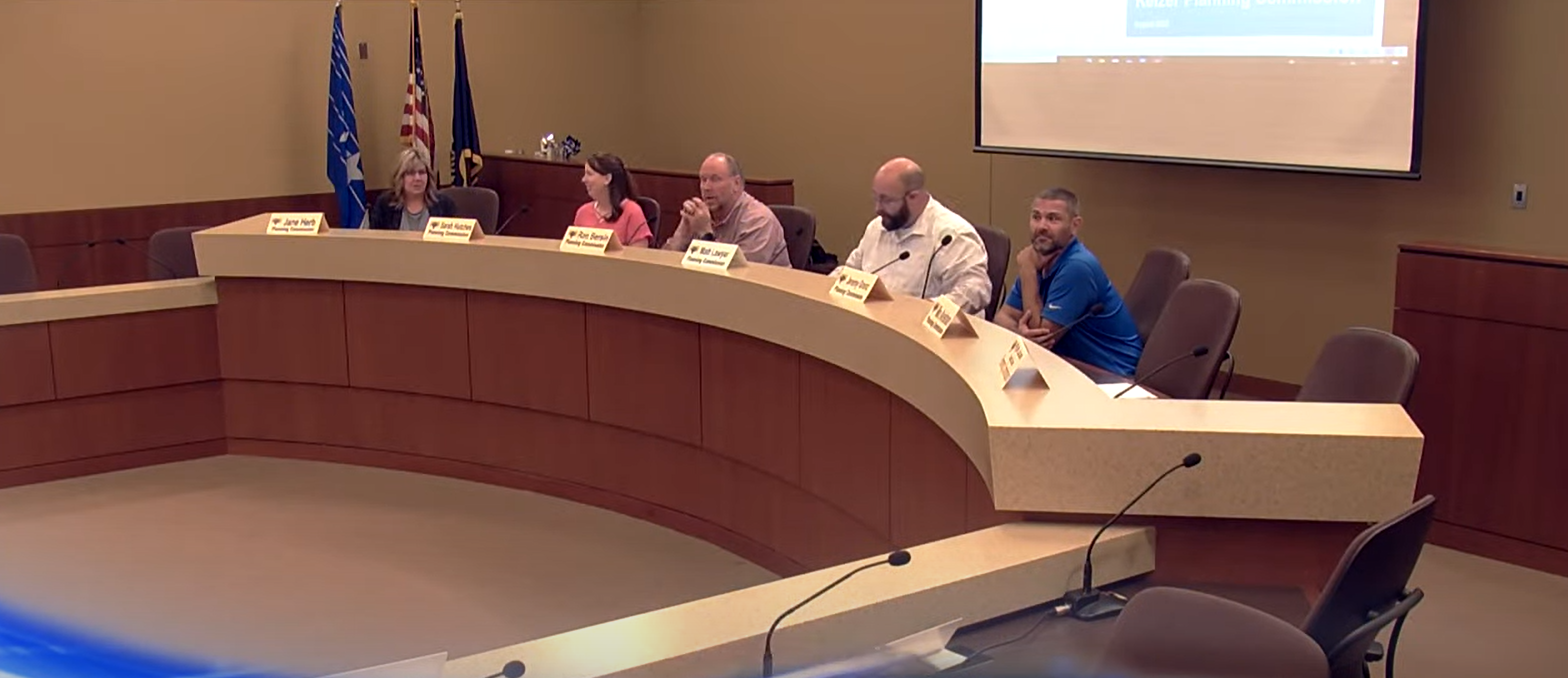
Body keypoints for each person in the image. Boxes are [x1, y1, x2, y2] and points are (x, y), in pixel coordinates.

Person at [996, 188, 1143, 377]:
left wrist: (1028, 272)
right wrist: (1020, 333)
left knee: (1015, 386)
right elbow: (1001, 318)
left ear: (1075, 225)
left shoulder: (1077, 267)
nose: (1041, 226)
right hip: (1067, 366)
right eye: (1036, 217)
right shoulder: (1036, 258)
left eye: (1053, 219)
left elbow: (1039, 344)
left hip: (1111, 376)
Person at [839, 158, 991, 314]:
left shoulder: (951, 236)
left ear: (914, 197)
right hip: (876, 320)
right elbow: (849, 272)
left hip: (926, 326)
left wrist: (924, 312)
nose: (878, 208)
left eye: (887, 201)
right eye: (876, 198)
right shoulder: (877, 227)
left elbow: (975, 290)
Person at [661, 153, 791, 266]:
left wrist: (705, 233)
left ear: (736, 184)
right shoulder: (700, 215)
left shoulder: (758, 220)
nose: (706, 187)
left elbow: (739, 276)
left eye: (715, 179)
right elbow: (663, 265)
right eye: (703, 180)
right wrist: (682, 236)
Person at [368, 148, 456, 231]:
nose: (417, 178)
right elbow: (374, 239)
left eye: (421, 172)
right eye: (411, 173)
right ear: (401, 177)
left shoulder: (444, 205)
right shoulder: (385, 205)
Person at [574, 153, 652, 247]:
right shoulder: (582, 212)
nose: (583, 180)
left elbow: (640, 253)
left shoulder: (632, 212)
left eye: (589, 174)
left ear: (607, 179)